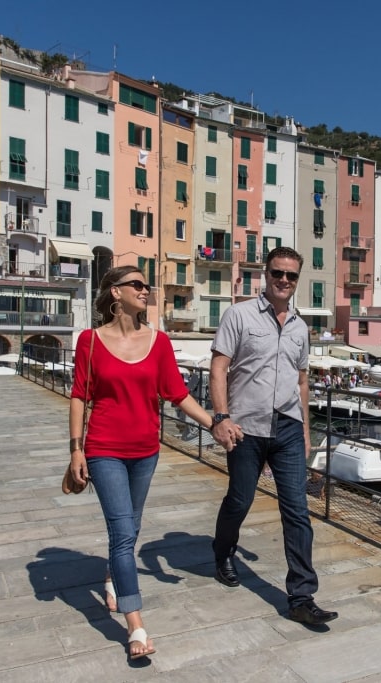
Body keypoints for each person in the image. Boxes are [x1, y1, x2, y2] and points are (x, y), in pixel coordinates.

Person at [67, 265, 235, 660]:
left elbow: (177, 394)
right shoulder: (89, 341)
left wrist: (217, 424)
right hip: (103, 446)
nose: (146, 290)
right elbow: (79, 395)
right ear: (115, 293)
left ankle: (112, 574)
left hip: (146, 449)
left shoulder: (158, 342)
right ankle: (136, 624)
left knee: (131, 526)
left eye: (147, 285)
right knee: (123, 534)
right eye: (137, 285)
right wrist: (76, 448)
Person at [209, 246, 339, 626]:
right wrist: (221, 417)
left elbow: (301, 382)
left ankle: (301, 595)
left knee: (297, 510)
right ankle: (222, 552)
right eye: (277, 273)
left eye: (291, 276)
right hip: (245, 426)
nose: (284, 280)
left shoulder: (300, 327)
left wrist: (306, 430)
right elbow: (219, 369)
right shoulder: (239, 315)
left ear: (298, 281)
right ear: (265, 275)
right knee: (241, 498)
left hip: (286, 428)